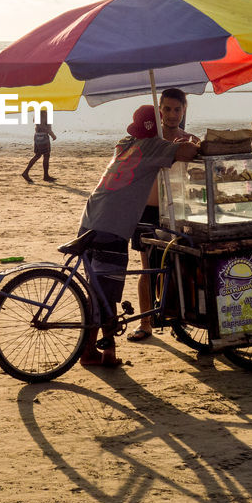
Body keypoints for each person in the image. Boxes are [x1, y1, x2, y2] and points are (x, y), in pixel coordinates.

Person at [77, 104, 200, 367]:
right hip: (112, 224)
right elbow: (190, 152)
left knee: (99, 290)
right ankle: (90, 352)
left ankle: (105, 352)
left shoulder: (125, 142)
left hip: (91, 217)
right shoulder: (153, 146)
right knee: (106, 292)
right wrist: (186, 143)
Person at [128, 88, 198, 342]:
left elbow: (197, 176)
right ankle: (145, 322)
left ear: (184, 110)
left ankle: (179, 320)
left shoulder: (190, 140)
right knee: (148, 268)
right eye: (166, 109)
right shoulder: (148, 139)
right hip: (147, 211)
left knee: (180, 266)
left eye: (177, 109)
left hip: (178, 210)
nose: (171, 115)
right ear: (159, 110)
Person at [21, 109, 56, 183]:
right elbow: (44, 127)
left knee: (38, 155)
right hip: (43, 137)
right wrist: (52, 135)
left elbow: (38, 125)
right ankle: (45, 176)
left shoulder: (36, 113)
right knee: (46, 155)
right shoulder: (44, 114)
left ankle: (26, 172)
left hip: (37, 136)